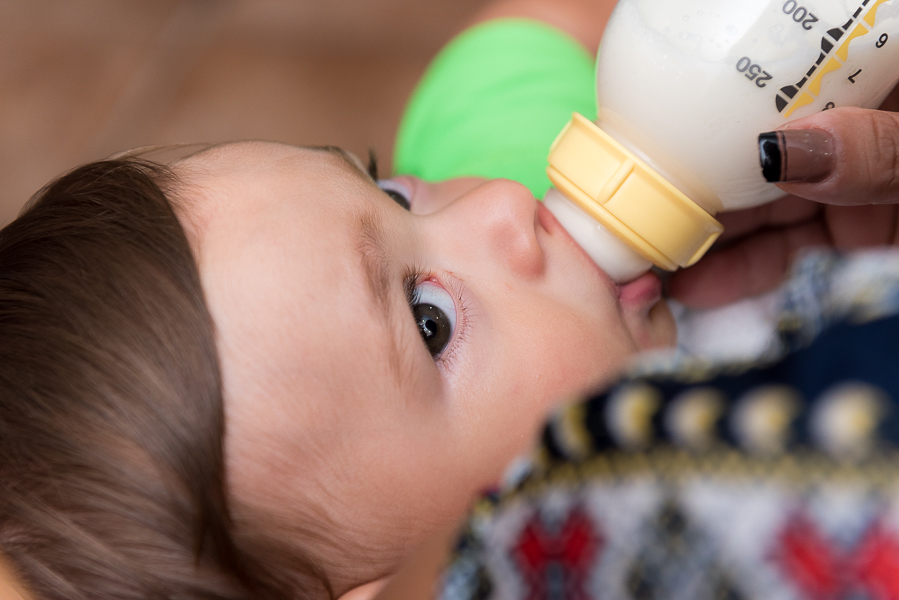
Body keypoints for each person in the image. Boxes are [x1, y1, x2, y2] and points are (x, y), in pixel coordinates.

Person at [1, 2, 898, 600]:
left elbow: (515, 43)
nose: (504, 204)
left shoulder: (515, 148)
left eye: (390, 192)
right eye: (428, 322)